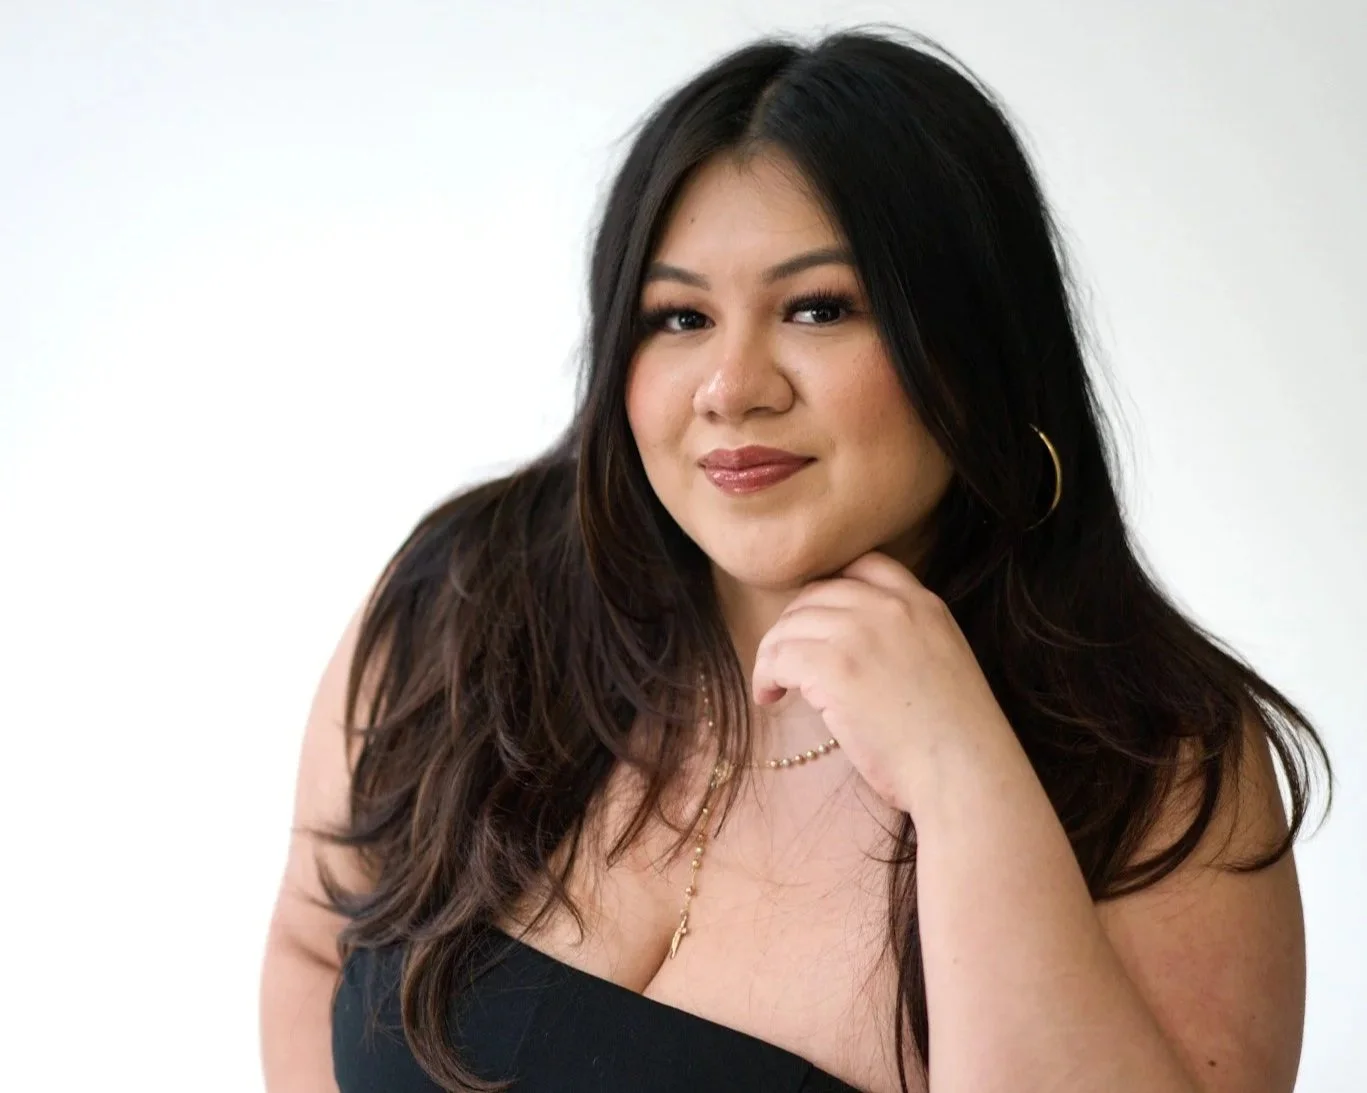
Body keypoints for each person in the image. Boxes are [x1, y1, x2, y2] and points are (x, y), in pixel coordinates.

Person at [259, 27, 1331, 1093]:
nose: (730, 385)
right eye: (678, 316)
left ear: (972, 345)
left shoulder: (1150, 755)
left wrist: (964, 781)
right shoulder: (466, 601)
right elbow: (315, 951)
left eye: (817, 308)